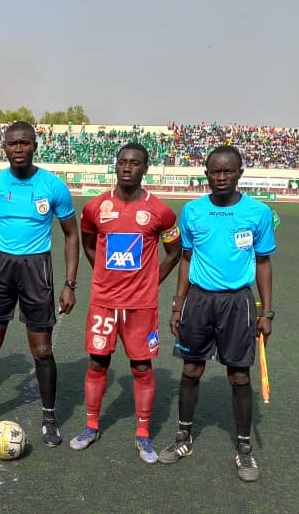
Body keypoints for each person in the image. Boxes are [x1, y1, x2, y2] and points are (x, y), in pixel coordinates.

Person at [157, 145, 276, 482]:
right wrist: (178, 303)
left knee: (239, 375)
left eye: (228, 171)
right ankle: (183, 437)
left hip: (238, 302)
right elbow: (186, 259)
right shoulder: (192, 211)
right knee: (191, 369)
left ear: (240, 172)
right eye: (215, 171)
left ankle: (244, 449)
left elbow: (265, 263)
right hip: (198, 301)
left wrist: (267, 312)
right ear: (206, 174)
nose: (221, 177)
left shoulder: (258, 213)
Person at [0, 121, 79, 447]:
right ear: (4, 146)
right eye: (12, 143)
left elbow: (71, 235)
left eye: (24, 143)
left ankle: (50, 419)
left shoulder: (53, 186)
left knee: (42, 350)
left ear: (34, 145)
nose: (18, 149)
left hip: (36, 270)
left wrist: (70, 284)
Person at [70, 143, 182, 463]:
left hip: (141, 307)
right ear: (115, 166)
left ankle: (144, 435)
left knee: (142, 366)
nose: (127, 168)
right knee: (97, 362)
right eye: (122, 162)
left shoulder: (160, 211)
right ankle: (91, 426)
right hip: (104, 303)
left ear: (145, 168)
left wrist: (151, 281)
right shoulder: (95, 207)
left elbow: (175, 251)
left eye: (135, 163)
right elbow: (89, 242)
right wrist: (104, 274)